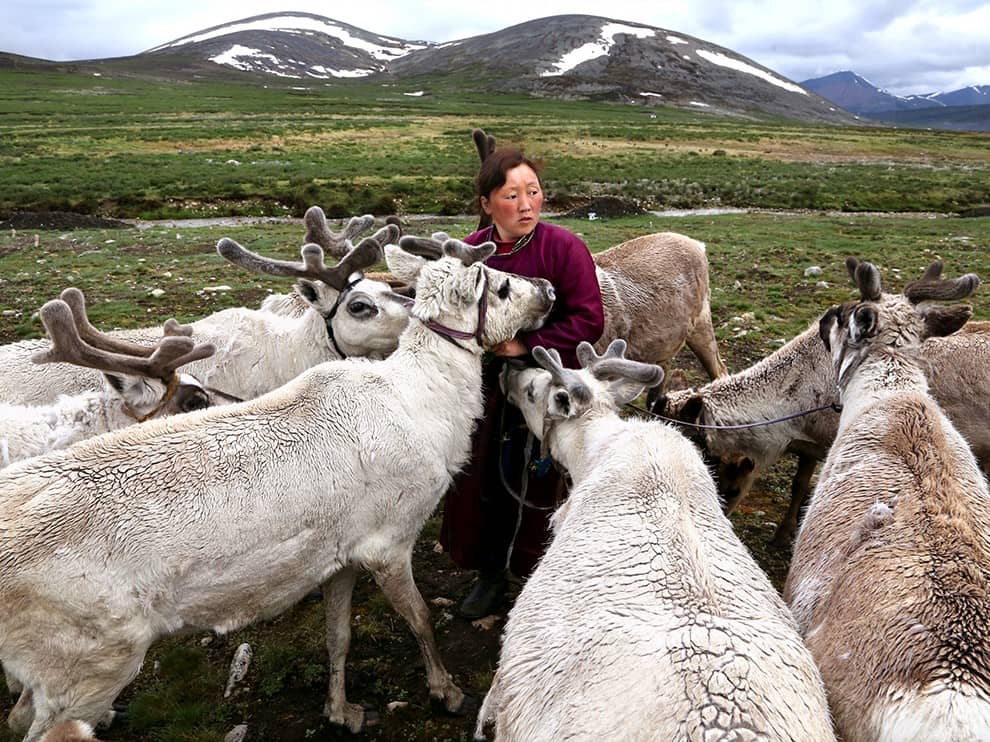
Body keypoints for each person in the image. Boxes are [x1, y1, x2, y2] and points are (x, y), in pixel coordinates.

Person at [439, 145, 605, 619]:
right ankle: (488, 574)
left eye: (533, 192)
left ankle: (541, 576)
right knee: (481, 478)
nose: (527, 204)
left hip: (545, 382)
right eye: (512, 195)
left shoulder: (563, 247)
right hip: (484, 390)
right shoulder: (470, 252)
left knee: (540, 481)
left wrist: (524, 346)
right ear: (488, 203)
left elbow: (589, 319)